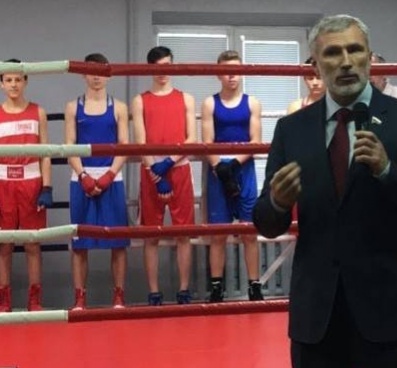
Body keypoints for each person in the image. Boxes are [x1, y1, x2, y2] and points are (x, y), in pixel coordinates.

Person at [253, 15, 397, 368]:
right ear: (315, 65)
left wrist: (390, 171)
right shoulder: (292, 129)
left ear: (369, 57)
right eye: (332, 53)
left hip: (389, 315)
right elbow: (266, 221)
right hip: (317, 319)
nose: (345, 61)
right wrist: (277, 201)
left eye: (355, 50)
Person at [131, 46, 196, 306]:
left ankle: (184, 290)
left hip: (179, 168)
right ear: (150, 69)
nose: (163, 72)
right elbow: (140, 142)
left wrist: (169, 161)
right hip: (151, 171)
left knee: (183, 234)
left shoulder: (186, 98)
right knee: (151, 235)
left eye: (167, 65)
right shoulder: (140, 100)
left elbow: (192, 138)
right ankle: (154, 292)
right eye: (157, 67)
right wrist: (157, 174)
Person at [64, 53, 129, 310]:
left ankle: (119, 297)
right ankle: (80, 298)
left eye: (101, 71)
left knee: (118, 242)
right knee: (80, 243)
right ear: (83, 74)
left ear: (108, 75)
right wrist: (83, 175)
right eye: (91, 71)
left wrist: (109, 174)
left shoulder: (119, 107)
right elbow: (69, 145)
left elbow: (124, 146)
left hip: (112, 177)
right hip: (82, 177)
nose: (96, 77)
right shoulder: (73, 107)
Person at [201, 50, 263, 302]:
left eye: (236, 70)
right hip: (218, 171)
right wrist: (220, 167)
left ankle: (254, 286)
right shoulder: (209, 103)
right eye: (226, 71)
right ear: (218, 74)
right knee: (218, 234)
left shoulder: (252, 103)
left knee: (249, 233)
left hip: (244, 169)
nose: (232, 76)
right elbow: (207, 142)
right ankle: (216, 288)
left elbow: (256, 141)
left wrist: (235, 163)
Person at [0, 59, 52, 312]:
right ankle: (4, 301)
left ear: (26, 81)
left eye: (18, 79)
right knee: (4, 244)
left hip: (31, 182)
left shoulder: (38, 112)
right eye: (8, 80)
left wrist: (47, 187)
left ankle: (34, 300)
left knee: (32, 243)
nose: (13, 84)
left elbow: (46, 153)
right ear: (1, 84)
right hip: (3, 184)